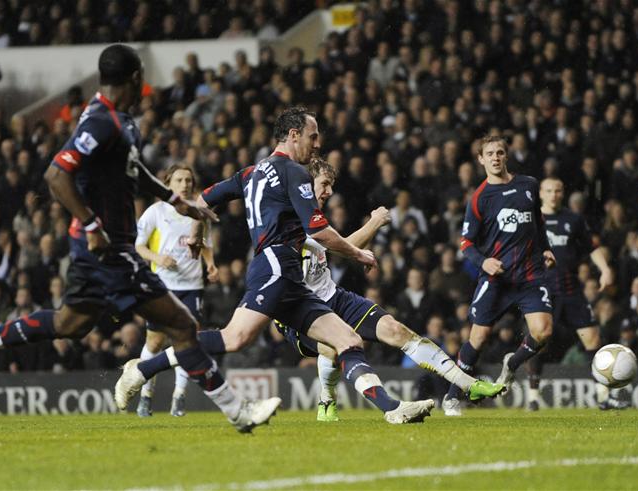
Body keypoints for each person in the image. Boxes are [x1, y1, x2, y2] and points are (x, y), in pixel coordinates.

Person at [0, 44, 279, 433]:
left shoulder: (121, 122)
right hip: (110, 249)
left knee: (71, 323)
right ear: (136, 77)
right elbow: (57, 175)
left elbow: (134, 172)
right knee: (182, 326)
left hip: (101, 249)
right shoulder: (101, 121)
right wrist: (91, 226)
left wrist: (178, 202)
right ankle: (238, 412)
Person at [115, 106, 435, 424]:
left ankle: (392, 409)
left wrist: (198, 234)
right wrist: (358, 253)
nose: (318, 143)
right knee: (235, 339)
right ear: (293, 135)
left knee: (348, 341)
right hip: (276, 266)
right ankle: (141, 369)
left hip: (288, 274)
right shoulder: (293, 171)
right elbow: (319, 231)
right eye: (313, 136)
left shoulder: (251, 172)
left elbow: (201, 203)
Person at [133, 157, 504, 422]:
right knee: (259, 340)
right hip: (292, 300)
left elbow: (331, 244)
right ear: (306, 182)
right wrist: (371, 227)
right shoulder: (293, 213)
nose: (327, 192)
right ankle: (329, 399)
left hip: (329, 295)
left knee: (388, 331)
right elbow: (333, 243)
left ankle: (458, 386)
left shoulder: (296, 204)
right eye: (324, 185)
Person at [443, 135, 557, 416]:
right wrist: (484, 263)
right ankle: (452, 397)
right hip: (498, 279)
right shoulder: (480, 198)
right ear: (481, 159)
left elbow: (538, 225)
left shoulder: (529, 185)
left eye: (500, 153)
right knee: (478, 339)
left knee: (543, 331)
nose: (495, 157)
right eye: (490, 154)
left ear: (506, 156)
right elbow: (466, 244)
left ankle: (512, 364)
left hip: (530, 275)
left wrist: (546, 249)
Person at [526, 177, 628, 410]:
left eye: (558, 190)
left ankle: (603, 397)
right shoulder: (531, 220)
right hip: (543, 291)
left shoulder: (574, 219)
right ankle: (533, 398)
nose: (553, 195)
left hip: (571, 290)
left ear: (563, 193)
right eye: (549, 191)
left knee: (593, 339)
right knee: (539, 342)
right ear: (541, 193)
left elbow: (592, 247)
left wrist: (604, 269)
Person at [134, 164, 218, 418]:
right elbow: (138, 246)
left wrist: (211, 263)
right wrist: (157, 258)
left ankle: (178, 398)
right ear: (168, 183)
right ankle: (145, 396)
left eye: (189, 180)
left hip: (192, 287)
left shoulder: (198, 212)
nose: (185, 184)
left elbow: (205, 243)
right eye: (179, 180)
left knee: (188, 341)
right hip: (163, 286)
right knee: (155, 341)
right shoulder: (156, 211)